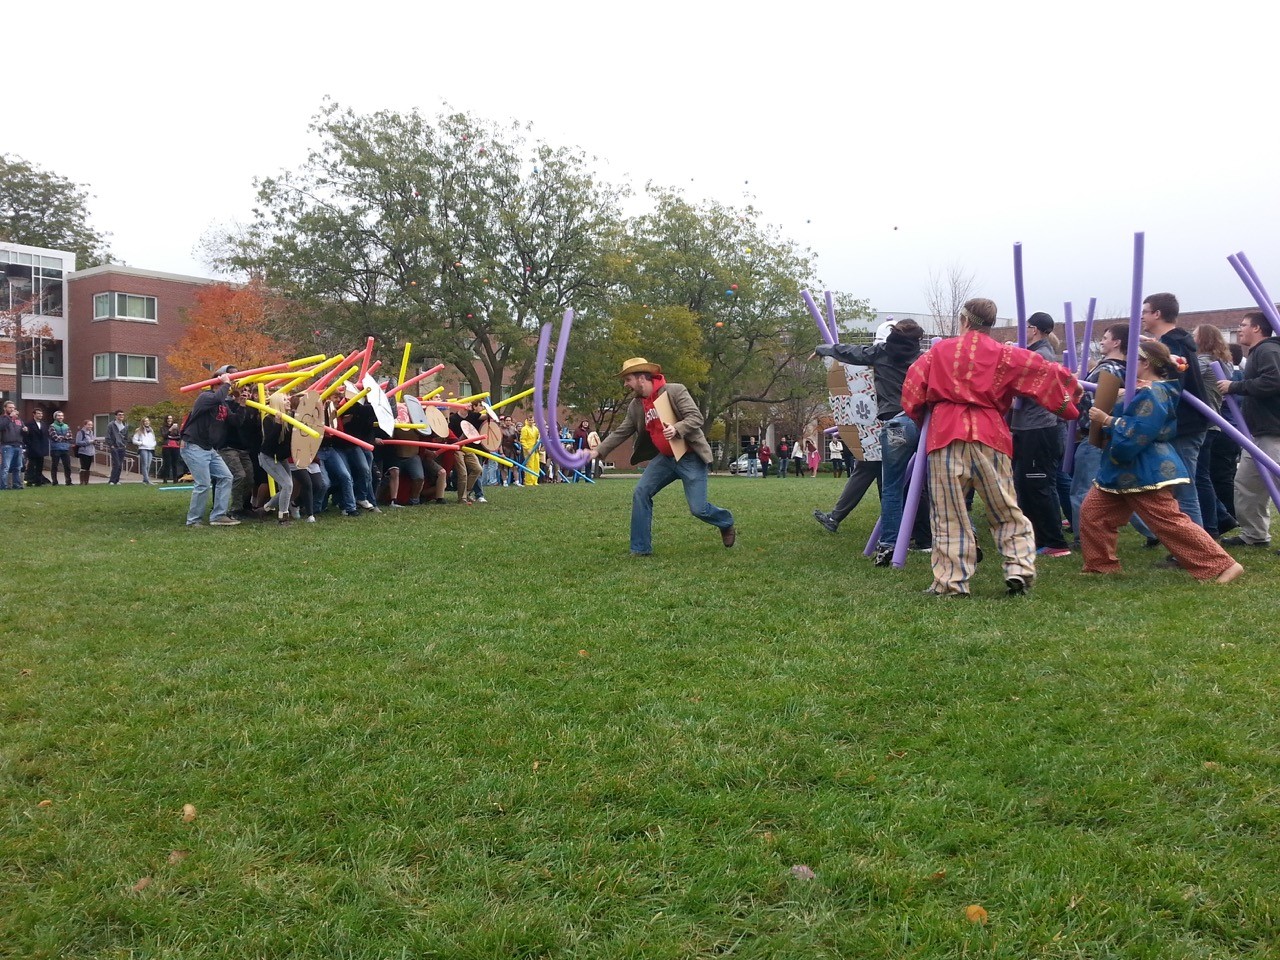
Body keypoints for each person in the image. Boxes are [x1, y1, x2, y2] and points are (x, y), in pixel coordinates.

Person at [901, 297, 1081, 597]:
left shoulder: (937, 353)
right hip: (991, 434)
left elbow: (911, 391)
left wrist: (922, 418)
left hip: (946, 433)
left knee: (949, 513)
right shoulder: (1005, 354)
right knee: (1005, 508)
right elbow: (1045, 372)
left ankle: (951, 581)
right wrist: (1071, 398)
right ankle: (1019, 568)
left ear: (964, 320)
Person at [1081, 340, 1243, 583]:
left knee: (1168, 522)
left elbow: (1141, 430)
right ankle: (1101, 565)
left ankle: (1222, 565)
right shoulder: (1145, 388)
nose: (1128, 364)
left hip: (1146, 469)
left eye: (1134, 360)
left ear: (1145, 363)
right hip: (1120, 469)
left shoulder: (1154, 393)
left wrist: (1107, 420)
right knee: (1093, 513)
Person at [592, 357, 735, 555]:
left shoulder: (674, 391)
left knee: (698, 509)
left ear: (642, 378)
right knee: (641, 492)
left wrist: (677, 429)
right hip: (665, 460)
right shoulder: (636, 406)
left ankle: (725, 521)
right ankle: (640, 549)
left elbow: (696, 417)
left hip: (690, 457)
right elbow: (621, 432)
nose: (626, 384)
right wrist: (598, 451)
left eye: (628, 379)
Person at [814, 318, 928, 562]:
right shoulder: (922, 359)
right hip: (922, 424)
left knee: (892, 486)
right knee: (927, 482)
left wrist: (824, 349)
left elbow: (850, 352)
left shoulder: (880, 353)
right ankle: (937, 536)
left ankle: (888, 544)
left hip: (896, 425)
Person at [1141, 293, 1211, 529]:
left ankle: (1199, 550)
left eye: (1145, 312)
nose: (1142, 317)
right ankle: (1199, 542)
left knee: (1184, 487)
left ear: (1157, 314)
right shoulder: (1174, 342)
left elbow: (1169, 388)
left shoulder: (1173, 345)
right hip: (1186, 422)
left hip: (1185, 423)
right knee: (1182, 486)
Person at [1217, 311, 1280, 551]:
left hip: (1273, 432)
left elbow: (1274, 381)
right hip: (1258, 433)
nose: (1239, 329)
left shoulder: (1268, 350)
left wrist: (1236, 386)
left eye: (1243, 325)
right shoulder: (1259, 352)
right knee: (1247, 485)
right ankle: (1255, 535)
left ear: (1257, 329)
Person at [1068, 323, 1127, 538]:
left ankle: (1083, 536)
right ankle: (1151, 532)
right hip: (1113, 434)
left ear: (1117, 342)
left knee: (1082, 489)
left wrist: (1075, 390)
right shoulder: (1127, 368)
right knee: (1123, 488)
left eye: (1105, 337)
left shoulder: (1107, 369)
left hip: (1095, 435)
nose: (1101, 341)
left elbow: (1096, 403)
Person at [180, 366, 241, 526]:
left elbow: (234, 421)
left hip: (208, 448)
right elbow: (216, 398)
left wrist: (242, 404)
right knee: (203, 484)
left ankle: (218, 516)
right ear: (217, 383)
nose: (228, 388)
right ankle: (193, 521)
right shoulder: (205, 397)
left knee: (226, 477)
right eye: (225, 384)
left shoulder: (222, 404)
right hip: (193, 445)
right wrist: (226, 383)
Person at [1196, 323, 1240, 535]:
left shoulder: (1205, 362)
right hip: (1212, 422)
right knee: (1202, 476)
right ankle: (1222, 517)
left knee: (1199, 477)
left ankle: (1214, 525)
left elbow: (1179, 370)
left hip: (1203, 423)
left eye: (1194, 336)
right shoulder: (1222, 362)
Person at [1, 401, 24, 489]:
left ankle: (17, 485)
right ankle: (3, 486)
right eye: (10, 407)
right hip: (7, 445)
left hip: (18, 445)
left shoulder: (18, 420)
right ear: (5, 408)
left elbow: (22, 431)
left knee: (17, 467)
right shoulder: (2, 418)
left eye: (13, 408)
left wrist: (25, 430)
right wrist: (9, 417)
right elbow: (1, 426)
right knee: (6, 467)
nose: (12, 409)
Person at [24, 407, 51, 486]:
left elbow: (46, 436)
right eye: (38, 413)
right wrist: (30, 445)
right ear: (34, 414)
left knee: (40, 465)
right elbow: (26, 436)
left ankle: (38, 481)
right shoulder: (29, 424)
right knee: (31, 466)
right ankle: (30, 481)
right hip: (32, 448)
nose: (40, 415)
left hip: (41, 448)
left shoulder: (43, 424)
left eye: (41, 414)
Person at [48, 410, 73, 486]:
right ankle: (55, 482)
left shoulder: (66, 426)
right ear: (55, 417)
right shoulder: (52, 426)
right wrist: (65, 437)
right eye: (58, 415)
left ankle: (68, 481)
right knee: (55, 466)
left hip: (65, 448)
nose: (60, 417)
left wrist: (62, 437)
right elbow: (55, 437)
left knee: (67, 466)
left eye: (62, 415)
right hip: (55, 449)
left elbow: (70, 436)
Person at [132, 417, 157, 485]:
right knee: (144, 464)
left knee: (148, 465)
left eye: (148, 421)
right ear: (142, 422)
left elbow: (153, 439)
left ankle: (145, 480)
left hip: (151, 448)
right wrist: (141, 443)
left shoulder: (151, 430)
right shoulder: (139, 430)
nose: (147, 422)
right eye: (145, 421)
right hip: (143, 448)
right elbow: (134, 440)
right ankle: (147, 480)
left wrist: (154, 444)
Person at [106, 410, 128, 485]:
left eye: (122, 415)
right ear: (116, 416)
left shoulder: (125, 425)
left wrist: (125, 444)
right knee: (116, 463)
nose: (121, 416)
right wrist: (111, 445)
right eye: (119, 415)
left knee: (120, 464)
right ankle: (112, 480)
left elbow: (126, 436)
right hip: (114, 446)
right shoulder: (111, 425)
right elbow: (108, 436)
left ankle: (117, 480)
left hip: (122, 447)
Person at [160, 414, 184, 483]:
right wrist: (170, 430)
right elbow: (164, 435)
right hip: (166, 446)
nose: (170, 420)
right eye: (168, 418)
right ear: (166, 419)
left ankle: (175, 479)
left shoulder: (176, 427)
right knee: (167, 463)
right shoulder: (163, 427)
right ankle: (165, 479)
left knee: (175, 463)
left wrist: (171, 437)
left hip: (175, 446)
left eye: (171, 418)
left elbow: (179, 437)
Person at [74, 419, 97, 485]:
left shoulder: (91, 432)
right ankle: (82, 482)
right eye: (89, 425)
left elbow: (92, 440)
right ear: (85, 425)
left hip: (91, 452)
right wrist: (89, 442)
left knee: (88, 467)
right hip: (83, 452)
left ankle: (86, 482)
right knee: (83, 466)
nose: (90, 426)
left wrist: (94, 442)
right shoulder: (81, 432)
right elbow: (78, 442)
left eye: (91, 425)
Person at [519, 416, 541, 486]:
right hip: (528, 448)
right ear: (527, 420)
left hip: (535, 448)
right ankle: (529, 482)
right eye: (529, 420)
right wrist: (527, 449)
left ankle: (535, 481)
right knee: (530, 465)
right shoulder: (524, 429)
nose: (531, 421)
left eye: (532, 420)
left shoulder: (535, 429)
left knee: (536, 465)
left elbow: (538, 437)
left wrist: (538, 446)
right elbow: (523, 440)